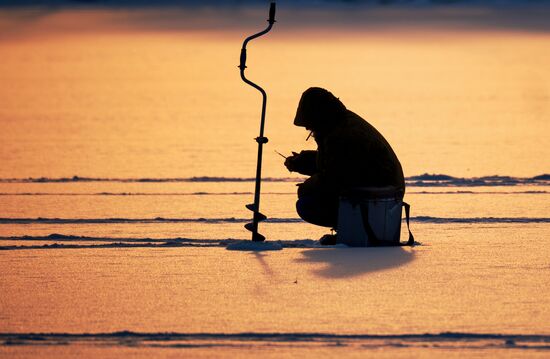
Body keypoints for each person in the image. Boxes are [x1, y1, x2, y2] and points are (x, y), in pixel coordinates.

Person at [284, 87, 405, 238]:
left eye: (309, 122)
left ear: (319, 117)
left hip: (380, 196)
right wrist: (302, 162)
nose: (308, 128)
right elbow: (338, 163)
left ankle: (354, 232)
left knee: (308, 203)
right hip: (382, 191)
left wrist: (307, 186)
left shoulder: (342, 135)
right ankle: (352, 229)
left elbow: (334, 177)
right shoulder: (340, 124)